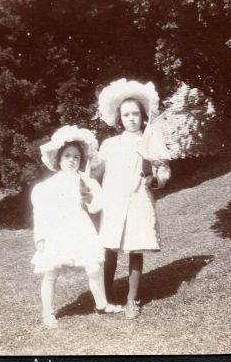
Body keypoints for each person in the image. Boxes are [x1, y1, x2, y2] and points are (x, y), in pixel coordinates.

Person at [92, 78, 171, 319]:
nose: (132, 119)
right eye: (126, 115)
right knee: (109, 249)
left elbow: (163, 170)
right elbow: (96, 172)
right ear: (119, 118)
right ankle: (105, 296)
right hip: (113, 201)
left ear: (143, 116)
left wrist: (155, 180)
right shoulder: (109, 144)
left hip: (137, 199)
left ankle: (131, 299)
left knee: (135, 248)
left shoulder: (149, 142)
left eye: (135, 114)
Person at [31, 125, 123, 328]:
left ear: (81, 161)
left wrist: (89, 198)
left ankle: (102, 304)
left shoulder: (87, 182)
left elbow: (97, 207)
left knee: (93, 267)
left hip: (80, 229)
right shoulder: (49, 186)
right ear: (58, 159)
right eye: (67, 156)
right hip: (58, 230)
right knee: (51, 271)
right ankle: (48, 312)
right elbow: (41, 213)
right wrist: (41, 237)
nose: (72, 160)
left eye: (76, 157)